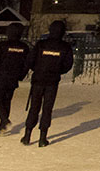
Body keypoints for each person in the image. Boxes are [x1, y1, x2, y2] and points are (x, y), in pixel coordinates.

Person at [22, 19, 74, 148]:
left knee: (34, 107)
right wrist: (57, 71)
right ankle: (42, 138)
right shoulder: (65, 47)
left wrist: (37, 69)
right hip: (52, 81)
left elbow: (30, 60)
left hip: (38, 79)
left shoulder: (41, 44)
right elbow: (68, 65)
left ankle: (27, 135)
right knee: (47, 109)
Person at [0, 22, 31, 135]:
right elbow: (27, 64)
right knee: (7, 100)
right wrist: (21, 75)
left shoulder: (3, 45)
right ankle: (2, 124)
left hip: (1, 76)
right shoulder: (24, 47)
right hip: (13, 77)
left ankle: (4, 120)